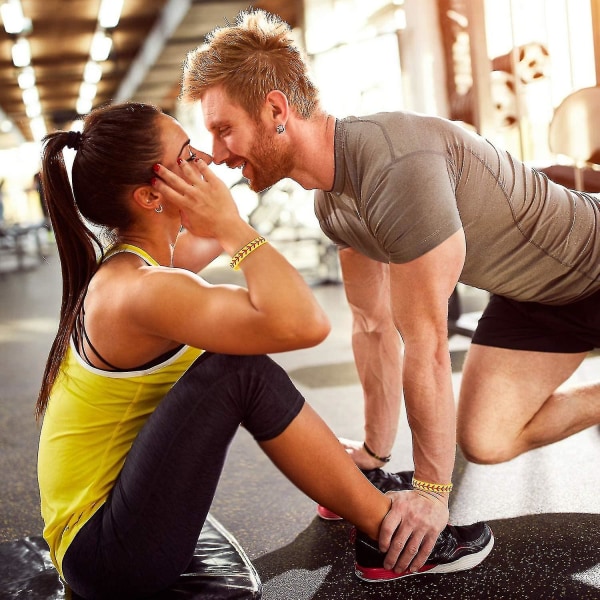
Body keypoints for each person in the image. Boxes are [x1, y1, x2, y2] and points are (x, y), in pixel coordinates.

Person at [181, 7, 600, 551]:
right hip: (533, 298)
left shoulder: (394, 165)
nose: (217, 154)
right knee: (487, 440)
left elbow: (424, 342)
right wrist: (375, 457)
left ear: (276, 110)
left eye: (223, 129)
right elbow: (373, 326)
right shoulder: (331, 205)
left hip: (592, 258)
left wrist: (430, 492)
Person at [35, 102, 493, 600]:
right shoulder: (142, 290)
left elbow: (217, 238)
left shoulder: (139, 262)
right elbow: (304, 323)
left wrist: (280, 160)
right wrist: (234, 228)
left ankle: (353, 489)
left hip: (105, 530)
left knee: (234, 369)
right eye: (190, 157)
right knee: (239, 372)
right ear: (151, 195)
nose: (207, 162)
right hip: (109, 558)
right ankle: (390, 533)